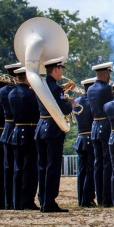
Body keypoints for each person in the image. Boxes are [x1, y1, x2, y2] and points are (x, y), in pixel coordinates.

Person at [35, 57, 74, 213]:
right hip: (52, 129)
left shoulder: (41, 86)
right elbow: (65, 110)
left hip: (41, 127)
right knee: (52, 166)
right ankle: (50, 202)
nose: (62, 72)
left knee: (42, 166)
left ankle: (43, 199)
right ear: (56, 69)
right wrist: (69, 103)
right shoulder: (56, 88)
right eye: (61, 69)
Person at [8, 67, 39, 210]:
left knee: (17, 168)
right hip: (29, 131)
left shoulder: (11, 93)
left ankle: (16, 201)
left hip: (16, 131)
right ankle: (27, 201)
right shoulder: (31, 94)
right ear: (27, 77)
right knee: (30, 169)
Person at [87, 61, 114, 207]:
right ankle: (106, 198)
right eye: (109, 74)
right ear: (105, 74)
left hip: (95, 126)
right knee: (107, 163)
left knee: (98, 164)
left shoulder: (90, 89)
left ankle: (100, 197)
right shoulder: (108, 89)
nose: (109, 77)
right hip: (106, 126)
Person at [0, 62, 20, 209]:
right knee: (15, 168)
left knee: (7, 168)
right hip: (15, 129)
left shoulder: (2, 90)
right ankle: (14, 201)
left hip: (5, 130)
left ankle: (6, 201)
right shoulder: (15, 91)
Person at [74, 77, 96, 207]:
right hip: (90, 138)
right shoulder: (92, 102)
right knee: (90, 170)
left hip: (80, 138)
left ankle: (81, 198)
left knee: (81, 171)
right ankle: (87, 199)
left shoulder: (77, 101)